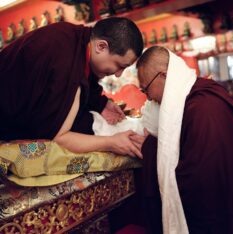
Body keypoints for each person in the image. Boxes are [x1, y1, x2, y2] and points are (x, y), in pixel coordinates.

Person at [131, 46, 233, 234]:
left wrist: (150, 149)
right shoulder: (194, 96)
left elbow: (200, 181)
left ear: (164, 75)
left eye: (145, 88)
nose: (147, 96)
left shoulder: (203, 109)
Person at [0, 17, 144, 158]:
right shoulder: (63, 56)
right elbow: (58, 138)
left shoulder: (79, 41)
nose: (119, 75)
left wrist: (101, 104)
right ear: (101, 46)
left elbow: (84, 81)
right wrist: (111, 143)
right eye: (119, 65)